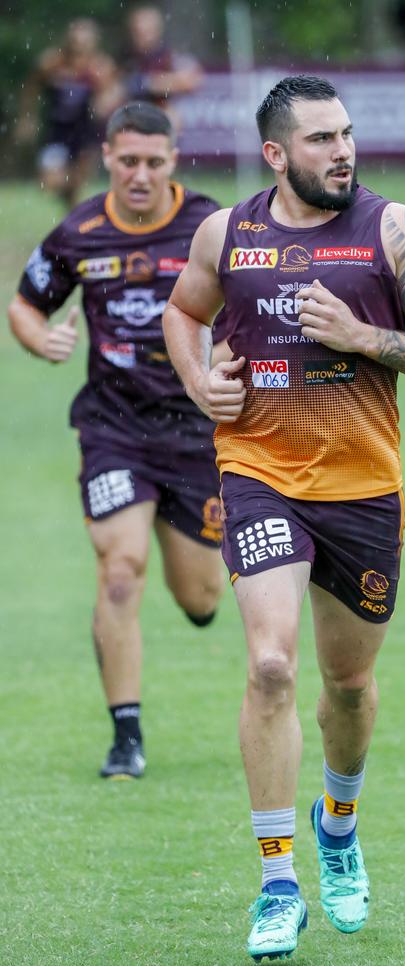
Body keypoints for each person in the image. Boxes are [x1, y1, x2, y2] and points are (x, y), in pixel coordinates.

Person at [163, 75, 405, 962]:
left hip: (364, 489)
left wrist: (361, 335)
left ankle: (338, 824)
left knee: (346, 686)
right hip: (259, 473)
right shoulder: (230, 232)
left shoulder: (393, 229)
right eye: (320, 139)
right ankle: (276, 882)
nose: (341, 151)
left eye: (346, 134)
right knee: (269, 665)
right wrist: (197, 381)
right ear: (275, 153)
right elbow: (184, 314)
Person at [8, 102, 227, 781]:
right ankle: (125, 737)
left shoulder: (212, 226)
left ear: (174, 160)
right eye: (127, 161)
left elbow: (257, 298)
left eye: (153, 163)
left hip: (195, 433)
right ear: (106, 157)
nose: (139, 175)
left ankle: (173, 530)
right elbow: (24, 302)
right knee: (121, 570)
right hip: (113, 430)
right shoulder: (80, 232)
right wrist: (39, 337)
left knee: (202, 600)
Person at [14, 18, 121, 209]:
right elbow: (30, 88)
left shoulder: (100, 67)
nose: (80, 49)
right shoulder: (52, 63)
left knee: (77, 185)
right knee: (49, 183)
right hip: (57, 131)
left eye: (85, 44)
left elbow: (113, 93)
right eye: (76, 43)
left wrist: (103, 102)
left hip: (85, 133)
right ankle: (70, 203)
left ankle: (72, 219)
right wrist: (27, 118)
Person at [122, 6, 203, 115]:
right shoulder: (126, 58)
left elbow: (193, 80)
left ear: (158, 30)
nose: (142, 37)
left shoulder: (170, 56)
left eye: (147, 31)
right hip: (134, 117)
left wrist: (148, 83)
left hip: (163, 114)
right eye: (137, 32)